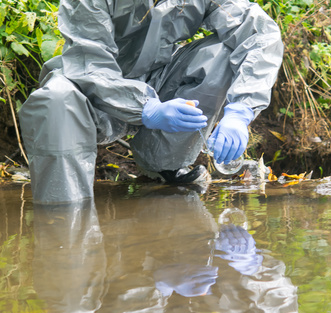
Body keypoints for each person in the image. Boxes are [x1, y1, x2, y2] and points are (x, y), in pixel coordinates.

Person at [18, 0, 284, 203]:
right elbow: (89, 62)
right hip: (89, 90)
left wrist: (241, 110)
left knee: (221, 55)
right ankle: (63, 213)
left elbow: (260, 34)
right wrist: (145, 107)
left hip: (158, 81)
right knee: (54, 100)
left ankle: (164, 164)